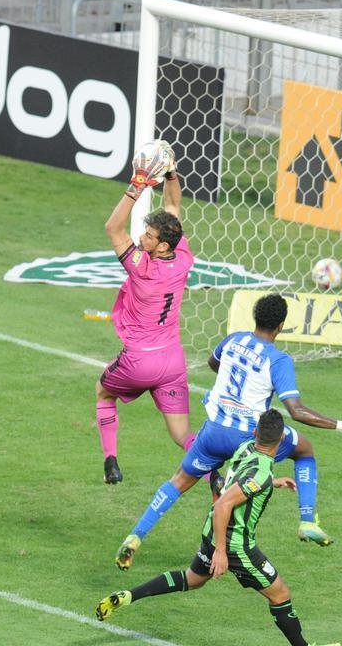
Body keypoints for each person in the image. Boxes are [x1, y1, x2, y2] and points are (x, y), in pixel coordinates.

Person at [115, 293, 342, 570]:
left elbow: (213, 363)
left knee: (178, 481)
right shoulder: (278, 360)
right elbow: (296, 411)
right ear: (281, 325)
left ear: (256, 317)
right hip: (248, 438)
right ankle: (307, 519)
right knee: (304, 451)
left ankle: (135, 537)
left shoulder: (234, 340)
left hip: (214, 432)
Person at [96, 410, 337, 646]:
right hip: (235, 545)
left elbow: (235, 482)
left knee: (192, 580)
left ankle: (128, 596)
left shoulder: (246, 448)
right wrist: (221, 552)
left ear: (255, 432)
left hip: (212, 531)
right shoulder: (261, 472)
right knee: (280, 594)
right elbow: (223, 504)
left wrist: (273, 483)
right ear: (282, 437)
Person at [97, 143, 195, 485]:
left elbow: (114, 228)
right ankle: (213, 473)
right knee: (182, 434)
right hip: (173, 361)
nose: (142, 237)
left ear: (162, 245)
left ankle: (111, 460)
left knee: (103, 392)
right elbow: (172, 204)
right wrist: (170, 172)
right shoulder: (182, 256)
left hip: (140, 361)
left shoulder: (142, 266)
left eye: (149, 236)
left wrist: (137, 186)